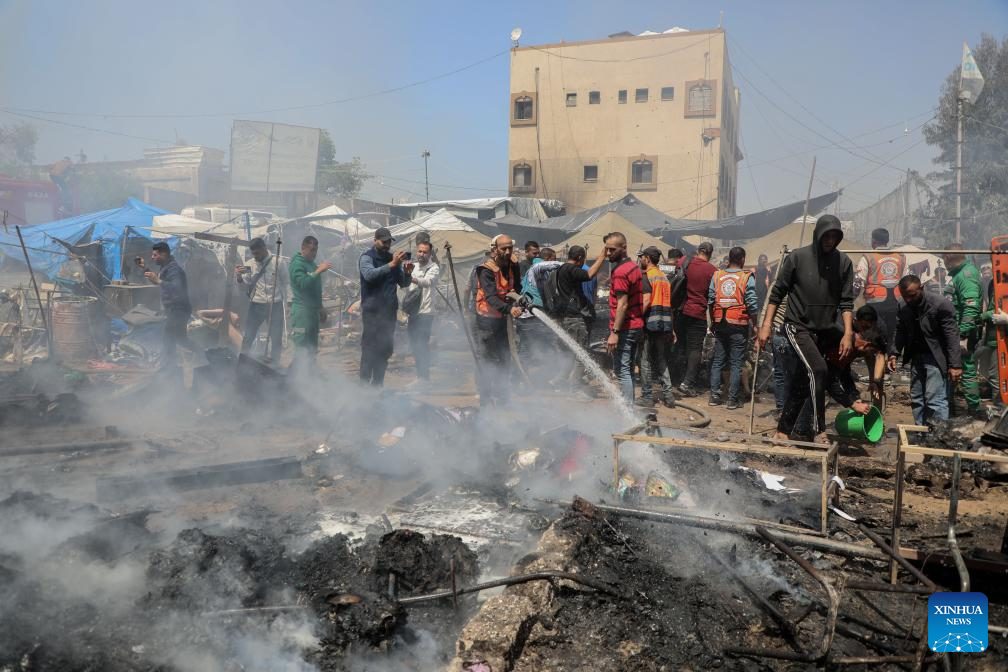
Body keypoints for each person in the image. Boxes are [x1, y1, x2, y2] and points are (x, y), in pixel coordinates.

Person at [757, 215, 854, 444]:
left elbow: (846, 302)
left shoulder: (843, 263)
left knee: (803, 381)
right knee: (819, 370)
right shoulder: (798, 258)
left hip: (824, 330)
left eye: (835, 236)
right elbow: (777, 293)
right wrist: (766, 325)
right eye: (826, 236)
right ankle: (818, 430)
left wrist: (848, 333)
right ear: (818, 234)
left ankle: (783, 431)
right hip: (796, 326)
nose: (830, 240)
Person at [888, 275, 962, 426]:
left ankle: (939, 435)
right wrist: (894, 353)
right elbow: (900, 330)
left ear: (921, 288)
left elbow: (951, 335)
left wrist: (955, 364)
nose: (908, 299)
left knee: (935, 400)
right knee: (917, 399)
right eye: (905, 296)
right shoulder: (903, 305)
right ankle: (920, 432)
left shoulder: (940, 304)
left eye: (912, 295)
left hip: (936, 357)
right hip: (916, 357)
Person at [359, 227, 412, 387]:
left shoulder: (392, 259)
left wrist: (407, 273)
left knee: (385, 349)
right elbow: (369, 275)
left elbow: (403, 283)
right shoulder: (367, 258)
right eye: (384, 242)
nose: (387, 245)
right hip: (372, 312)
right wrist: (392, 264)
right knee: (369, 349)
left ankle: (377, 385)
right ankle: (363, 385)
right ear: (375, 241)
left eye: (389, 242)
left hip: (389, 313)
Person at [708, 246, 759, 409]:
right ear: (743, 259)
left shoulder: (717, 275)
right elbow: (751, 302)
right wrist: (756, 324)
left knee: (718, 361)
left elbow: (710, 300)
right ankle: (732, 400)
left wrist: (713, 321)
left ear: (729, 258)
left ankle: (714, 397)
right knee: (736, 363)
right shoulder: (746, 277)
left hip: (720, 323)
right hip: (738, 324)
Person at [474, 235, 522, 407]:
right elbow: (491, 298)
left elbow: (517, 286)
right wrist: (509, 309)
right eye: (504, 248)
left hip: (502, 318)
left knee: (504, 357)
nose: (508, 252)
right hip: (486, 320)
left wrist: (517, 299)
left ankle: (502, 397)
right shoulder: (485, 269)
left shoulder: (512, 264)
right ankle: (485, 399)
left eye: (510, 248)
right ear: (495, 249)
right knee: (487, 360)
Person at [549, 245, 606, 391]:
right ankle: (575, 388)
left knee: (569, 353)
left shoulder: (560, 269)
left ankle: (559, 381)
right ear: (580, 258)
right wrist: (602, 256)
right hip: (575, 319)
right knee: (582, 355)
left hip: (565, 317)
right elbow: (589, 274)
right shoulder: (571, 269)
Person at [941, 244, 983, 418]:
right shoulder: (959, 275)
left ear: (948, 257)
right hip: (955, 332)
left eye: (943, 258)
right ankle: (950, 408)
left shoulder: (966, 275)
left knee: (966, 370)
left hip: (960, 334)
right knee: (954, 368)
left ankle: (975, 412)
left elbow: (971, 306)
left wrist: (963, 336)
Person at [604, 232, 645, 404]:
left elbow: (622, 304)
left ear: (624, 248)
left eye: (612, 249)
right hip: (636, 326)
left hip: (625, 328)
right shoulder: (633, 267)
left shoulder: (621, 272)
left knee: (622, 371)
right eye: (606, 249)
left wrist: (615, 332)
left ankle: (627, 412)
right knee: (628, 370)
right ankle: (630, 408)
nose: (608, 253)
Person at [674, 241, 717, 396]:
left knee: (681, 344)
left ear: (698, 250)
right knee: (695, 349)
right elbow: (713, 297)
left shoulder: (684, 261)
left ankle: (675, 378)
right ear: (710, 253)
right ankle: (687, 383)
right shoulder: (712, 270)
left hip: (680, 311)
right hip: (698, 313)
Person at [236, 237, 288, 362]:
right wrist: (239, 277)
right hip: (257, 305)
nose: (255, 256)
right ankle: (242, 363)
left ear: (264, 248)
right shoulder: (249, 264)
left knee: (276, 337)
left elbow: (286, 282)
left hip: (275, 305)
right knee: (248, 336)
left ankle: (275, 365)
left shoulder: (278, 262)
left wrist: (287, 303)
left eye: (257, 253)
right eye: (253, 253)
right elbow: (243, 288)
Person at [144, 241, 194, 368]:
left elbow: (177, 288)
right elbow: (159, 281)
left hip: (178, 309)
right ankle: (201, 354)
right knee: (181, 339)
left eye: (155, 255)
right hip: (175, 309)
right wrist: (145, 269)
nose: (152, 257)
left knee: (169, 338)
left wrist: (158, 280)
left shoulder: (174, 269)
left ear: (164, 254)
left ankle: (168, 368)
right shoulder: (166, 267)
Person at [854, 228, 906, 345]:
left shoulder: (868, 257)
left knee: (875, 334)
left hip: (875, 302)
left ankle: (878, 354)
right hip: (896, 302)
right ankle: (890, 354)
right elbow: (906, 279)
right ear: (887, 240)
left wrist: (850, 301)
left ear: (873, 241)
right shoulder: (900, 256)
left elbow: (858, 282)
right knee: (892, 333)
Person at [638, 247, 675, 407]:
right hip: (664, 323)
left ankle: (647, 396)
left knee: (645, 360)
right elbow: (669, 304)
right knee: (661, 359)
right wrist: (672, 328)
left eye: (642, 257)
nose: (640, 260)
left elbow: (646, 301)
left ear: (647, 258)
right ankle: (669, 396)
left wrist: (636, 319)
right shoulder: (664, 277)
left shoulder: (647, 275)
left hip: (649, 323)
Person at [289, 236, 331, 373]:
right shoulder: (297, 264)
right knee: (301, 346)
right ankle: (293, 377)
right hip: (301, 313)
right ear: (303, 248)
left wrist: (320, 307)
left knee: (312, 347)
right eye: (312, 250)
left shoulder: (311, 264)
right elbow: (303, 284)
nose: (314, 253)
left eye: (316, 250)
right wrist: (318, 271)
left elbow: (315, 290)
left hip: (312, 313)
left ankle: (310, 377)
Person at [517, 247, 561, 367]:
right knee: (532, 348)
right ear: (547, 259)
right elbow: (543, 266)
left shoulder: (540, 273)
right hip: (530, 316)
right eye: (553, 259)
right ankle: (524, 373)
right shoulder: (536, 268)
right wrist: (567, 266)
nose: (554, 261)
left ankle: (529, 373)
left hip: (532, 316)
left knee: (532, 347)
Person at [403, 240, 439, 382]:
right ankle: (420, 376)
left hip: (426, 313)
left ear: (430, 254)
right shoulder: (413, 266)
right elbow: (406, 286)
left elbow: (427, 282)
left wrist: (410, 277)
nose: (422, 254)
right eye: (420, 251)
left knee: (422, 345)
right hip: (413, 313)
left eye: (425, 252)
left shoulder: (434, 267)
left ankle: (424, 378)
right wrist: (404, 276)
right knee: (414, 345)